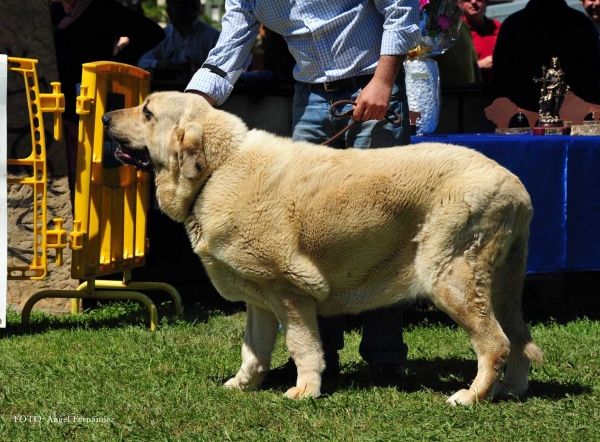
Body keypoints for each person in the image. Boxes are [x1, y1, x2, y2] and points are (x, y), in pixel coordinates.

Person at [185, 1, 421, 387]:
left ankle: (385, 358)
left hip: (372, 83)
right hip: (309, 99)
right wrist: (185, 109)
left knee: (381, 228)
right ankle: (317, 363)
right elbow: (230, 46)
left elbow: (401, 7)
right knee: (306, 233)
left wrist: (383, 80)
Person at [50, 0, 165, 200]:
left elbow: (153, 33)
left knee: (86, 173)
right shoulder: (53, 11)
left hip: (89, 105)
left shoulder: (100, 8)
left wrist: (114, 65)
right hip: (52, 106)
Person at [493, 0, 600, 112]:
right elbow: (593, 78)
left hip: (525, 116)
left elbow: (501, 80)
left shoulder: (512, 26)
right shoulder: (582, 24)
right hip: (573, 115)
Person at [138, 0, 220, 86]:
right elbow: (142, 61)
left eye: (173, 4)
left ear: (191, 6)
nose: (167, 9)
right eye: (167, 4)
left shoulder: (213, 37)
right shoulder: (163, 35)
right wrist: (158, 64)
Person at [461, 0, 501, 83]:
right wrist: (479, 65)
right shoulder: (455, 32)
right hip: (472, 91)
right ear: (460, 3)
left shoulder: (497, 27)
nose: (473, 1)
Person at [434, 19, 480, 85]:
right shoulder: (430, 31)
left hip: (469, 92)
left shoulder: (463, 26)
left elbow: (474, 64)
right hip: (445, 92)